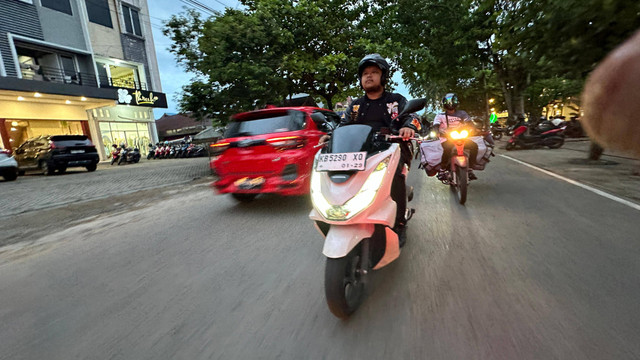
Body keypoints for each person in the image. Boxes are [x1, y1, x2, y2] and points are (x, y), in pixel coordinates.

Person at [321, 53, 421, 242]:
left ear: (383, 77)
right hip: (359, 153)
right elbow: (343, 125)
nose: (369, 76)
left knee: (396, 179)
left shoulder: (396, 100)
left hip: (391, 150)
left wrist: (408, 126)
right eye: (365, 73)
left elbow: (413, 117)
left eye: (374, 72)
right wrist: (331, 136)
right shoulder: (356, 105)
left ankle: (399, 223)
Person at [433, 93, 479, 180]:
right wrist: (437, 131)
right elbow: (436, 125)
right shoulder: (440, 116)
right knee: (447, 149)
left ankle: (470, 168)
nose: (450, 104)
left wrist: (473, 129)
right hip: (446, 138)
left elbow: (470, 123)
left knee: (474, 146)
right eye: (448, 102)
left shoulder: (462, 113)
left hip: (462, 137)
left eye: (452, 101)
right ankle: (442, 170)